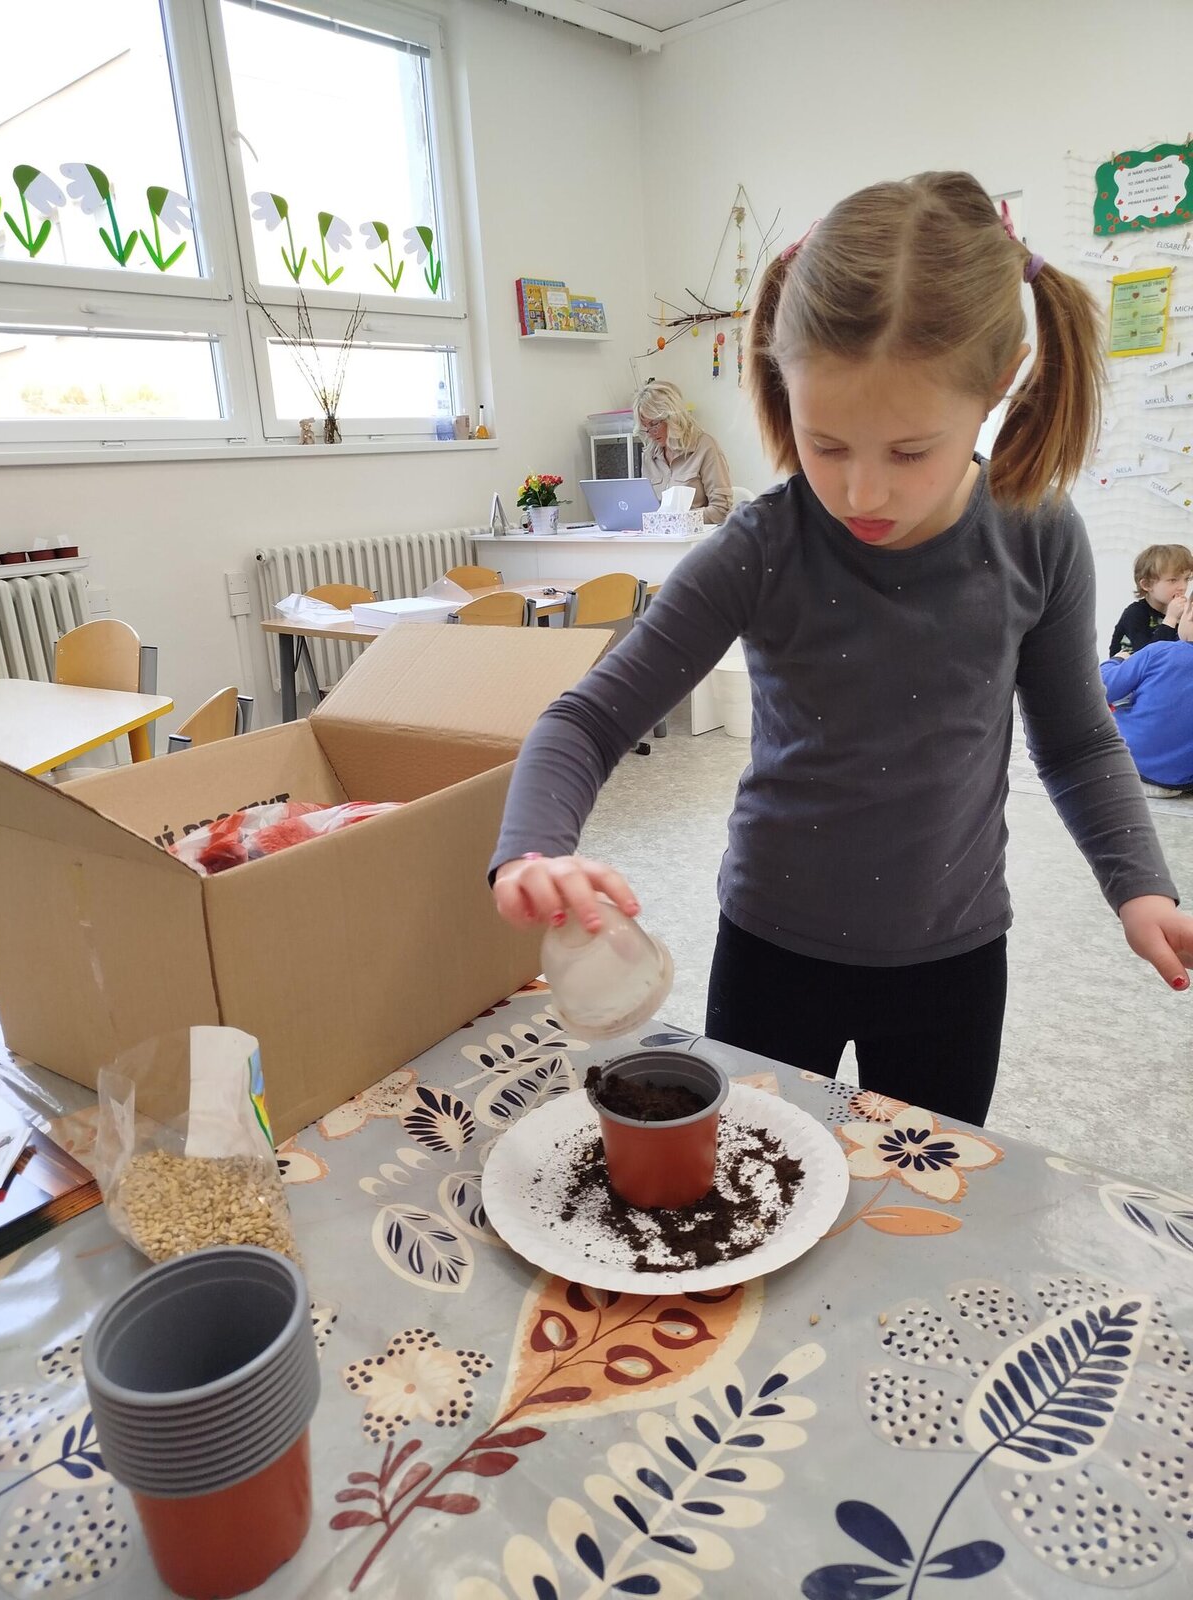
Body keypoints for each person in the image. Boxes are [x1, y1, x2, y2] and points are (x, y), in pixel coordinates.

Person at [490, 171, 1193, 1129]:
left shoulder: (1038, 535)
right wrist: (532, 851)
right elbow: (587, 720)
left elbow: (1076, 742)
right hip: (772, 952)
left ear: (1001, 380)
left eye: (909, 452)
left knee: (926, 1187)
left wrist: (1139, 886)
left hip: (952, 962)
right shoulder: (760, 547)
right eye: (825, 445)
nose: (862, 493)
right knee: (761, 1172)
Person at [1102, 603, 1193, 796]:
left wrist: (1116, 661)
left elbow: (1101, 689)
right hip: (1177, 783)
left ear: (1190, 612)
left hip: (1124, 764)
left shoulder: (1160, 651)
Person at [635, 380, 733, 524]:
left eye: (654, 424)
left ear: (672, 417)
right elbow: (646, 509)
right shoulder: (649, 455)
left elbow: (721, 510)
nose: (650, 433)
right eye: (645, 427)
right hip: (659, 535)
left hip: (696, 536)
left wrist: (678, 520)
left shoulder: (705, 447)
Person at [1107, 543, 1193, 658]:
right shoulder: (1135, 613)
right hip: (1129, 667)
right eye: (1173, 580)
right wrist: (1170, 619)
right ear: (1147, 584)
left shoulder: (1182, 613)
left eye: (1186, 579)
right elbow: (1149, 658)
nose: (1182, 587)